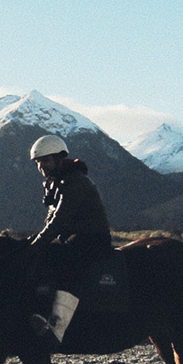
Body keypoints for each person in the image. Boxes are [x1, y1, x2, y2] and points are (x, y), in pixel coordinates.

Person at [26, 134, 112, 344]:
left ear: (59, 158)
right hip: (72, 238)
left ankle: (57, 328)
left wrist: (37, 243)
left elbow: (59, 219)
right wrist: (33, 241)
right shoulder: (55, 182)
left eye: (45, 161)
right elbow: (51, 221)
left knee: (67, 264)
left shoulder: (75, 181)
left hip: (91, 239)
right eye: (38, 162)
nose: (41, 166)